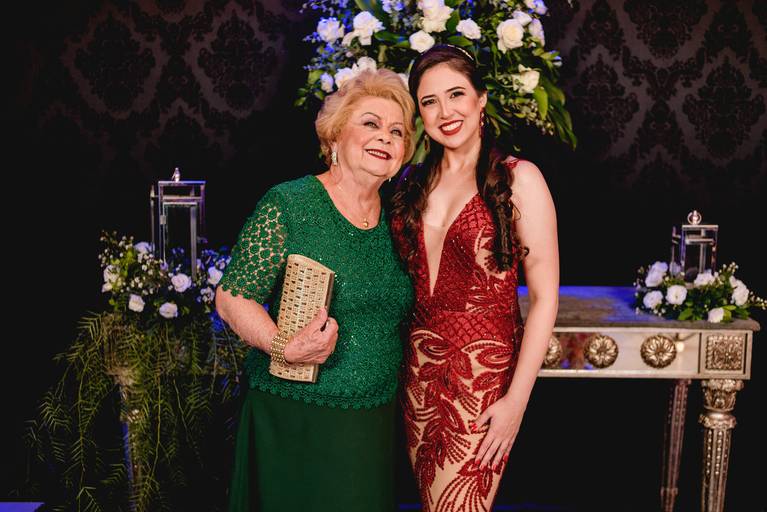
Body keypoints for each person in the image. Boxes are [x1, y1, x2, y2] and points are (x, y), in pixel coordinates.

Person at [215, 68, 416, 512]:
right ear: (335, 136)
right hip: (294, 416)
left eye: (397, 131)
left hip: (371, 424)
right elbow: (232, 298)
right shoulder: (290, 203)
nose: (385, 137)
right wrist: (283, 346)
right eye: (370, 123)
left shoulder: (402, 219)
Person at [390, 45, 559, 511]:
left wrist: (515, 404)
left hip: (481, 379)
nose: (445, 112)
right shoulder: (409, 182)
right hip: (414, 376)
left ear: (481, 98)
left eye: (456, 94)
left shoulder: (520, 179)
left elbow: (545, 299)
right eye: (429, 101)